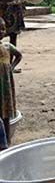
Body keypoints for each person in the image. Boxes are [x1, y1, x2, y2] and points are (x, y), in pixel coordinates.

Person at [0, 17, 22, 150]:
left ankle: (6, 142)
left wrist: (12, 67)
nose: (1, 32)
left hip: (5, 85)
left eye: (3, 29)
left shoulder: (8, 47)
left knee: (6, 113)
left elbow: (19, 55)